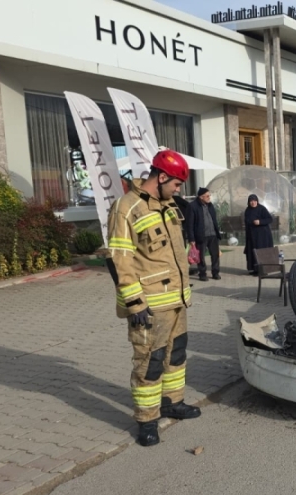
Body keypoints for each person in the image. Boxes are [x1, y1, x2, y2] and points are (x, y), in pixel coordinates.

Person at [105, 149, 201, 448]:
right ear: (161, 177)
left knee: (176, 355)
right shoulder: (126, 207)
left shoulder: (168, 205)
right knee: (150, 362)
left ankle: (172, 403)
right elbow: (120, 258)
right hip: (149, 306)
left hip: (176, 301)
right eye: (175, 183)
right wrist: (135, 303)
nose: (178, 190)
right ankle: (146, 420)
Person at [187, 187, 222, 281]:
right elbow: (189, 224)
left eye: (209, 195)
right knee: (201, 257)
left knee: (215, 255)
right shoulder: (193, 206)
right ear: (201, 197)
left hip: (213, 234)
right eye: (207, 196)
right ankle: (202, 274)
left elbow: (214, 219)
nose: (209, 197)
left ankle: (215, 272)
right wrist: (191, 239)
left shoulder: (210, 205)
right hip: (201, 236)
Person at [243, 194, 274, 275]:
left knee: (261, 252)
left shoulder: (262, 209)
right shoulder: (247, 210)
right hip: (251, 235)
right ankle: (254, 269)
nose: (253, 203)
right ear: (248, 202)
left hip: (262, 236)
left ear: (257, 201)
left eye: (254, 201)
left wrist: (260, 222)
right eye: (251, 201)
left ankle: (263, 270)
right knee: (252, 252)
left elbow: (270, 219)